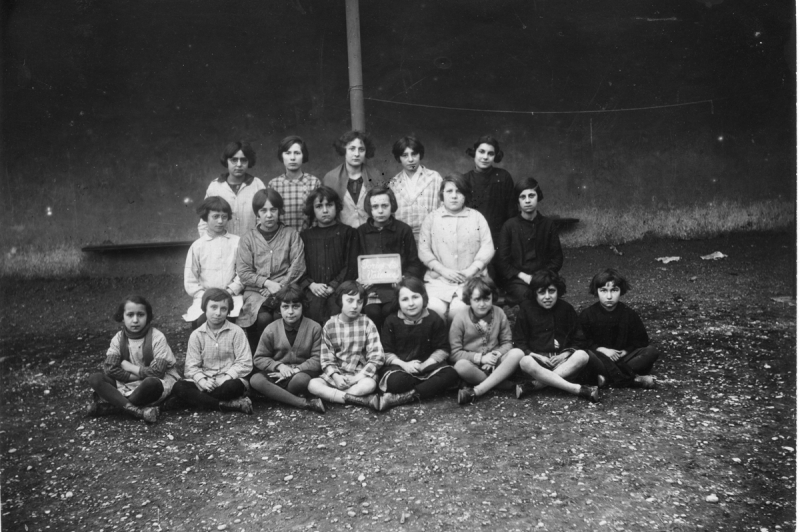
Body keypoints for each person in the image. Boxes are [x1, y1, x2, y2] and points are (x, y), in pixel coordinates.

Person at [87, 295, 181, 423]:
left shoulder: (157, 337)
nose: (135, 320)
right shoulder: (119, 339)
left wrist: (131, 368)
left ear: (148, 316)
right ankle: (136, 410)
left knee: (151, 383)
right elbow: (110, 369)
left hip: (155, 383)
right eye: (130, 315)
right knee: (95, 378)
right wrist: (136, 377)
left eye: (140, 315)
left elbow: (158, 372)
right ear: (122, 316)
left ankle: (115, 406)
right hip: (126, 383)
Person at [236, 189, 306, 351]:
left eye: (273, 210)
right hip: (257, 291)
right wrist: (267, 283)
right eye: (263, 210)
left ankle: (287, 358)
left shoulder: (291, 234)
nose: (269, 215)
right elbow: (244, 272)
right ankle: (259, 360)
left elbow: (298, 266)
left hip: (287, 287)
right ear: (257, 213)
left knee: (281, 316)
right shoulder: (248, 239)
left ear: (279, 211)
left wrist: (279, 286)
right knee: (262, 318)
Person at [513, 271, 599, 402]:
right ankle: (576, 389)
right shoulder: (526, 310)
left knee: (582, 355)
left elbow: (579, 339)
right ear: (534, 293)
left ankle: (536, 385)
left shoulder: (566, 309)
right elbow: (519, 341)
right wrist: (534, 355)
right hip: (538, 363)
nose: (547, 297)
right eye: (542, 292)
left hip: (564, 363)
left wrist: (565, 355)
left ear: (558, 291)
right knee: (525, 362)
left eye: (551, 291)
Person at [418, 174, 494, 321]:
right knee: (434, 310)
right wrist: (443, 270)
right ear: (442, 195)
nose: (454, 196)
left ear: (465, 195)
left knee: (459, 311)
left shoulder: (477, 217)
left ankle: (457, 344)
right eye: (449, 191)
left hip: (471, 281)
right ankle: (440, 344)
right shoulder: (432, 219)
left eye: (459, 192)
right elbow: (424, 250)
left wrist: (471, 270)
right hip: (439, 280)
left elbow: (487, 246)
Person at [375, 278, 459, 411]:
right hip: (402, 368)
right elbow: (386, 352)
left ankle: (406, 397)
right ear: (398, 301)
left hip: (429, 367)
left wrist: (426, 364)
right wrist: (405, 365)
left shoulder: (433, 318)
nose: (411, 303)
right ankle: (430, 388)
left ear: (424, 297)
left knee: (451, 374)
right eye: (405, 299)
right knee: (396, 382)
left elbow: (442, 348)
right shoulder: (391, 321)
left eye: (415, 297)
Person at [171, 289, 254, 414]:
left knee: (233, 387)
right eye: (213, 307)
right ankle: (226, 405)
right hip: (206, 382)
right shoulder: (197, 335)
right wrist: (203, 381)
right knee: (179, 387)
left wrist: (226, 377)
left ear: (228, 311)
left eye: (223, 309)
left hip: (228, 381)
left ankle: (198, 400)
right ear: (205, 308)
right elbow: (191, 367)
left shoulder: (236, 332)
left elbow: (245, 362)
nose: (218, 313)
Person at [249, 284, 326, 413]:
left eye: (295, 306)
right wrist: (280, 366)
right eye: (285, 307)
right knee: (255, 380)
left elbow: (318, 359)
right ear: (279, 309)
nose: (290, 311)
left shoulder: (314, 328)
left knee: (302, 380)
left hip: (300, 374)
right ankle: (301, 402)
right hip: (278, 374)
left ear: (303, 307)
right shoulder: (271, 329)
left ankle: (278, 395)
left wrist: (295, 370)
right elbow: (259, 358)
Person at [307, 281, 384, 409]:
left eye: (359, 302)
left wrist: (357, 377)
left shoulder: (367, 323)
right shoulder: (330, 325)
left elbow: (377, 357)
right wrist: (336, 377)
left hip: (359, 376)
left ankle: (337, 397)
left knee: (369, 384)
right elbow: (326, 359)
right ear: (340, 301)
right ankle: (354, 399)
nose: (355, 306)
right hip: (337, 376)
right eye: (350, 301)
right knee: (312, 384)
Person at [356, 186, 424, 331]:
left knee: (390, 311)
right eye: (375, 206)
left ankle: (390, 347)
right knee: (372, 312)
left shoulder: (403, 230)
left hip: (396, 287)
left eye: (384, 206)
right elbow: (355, 262)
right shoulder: (361, 232)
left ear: (392, 205)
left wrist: (403, 278)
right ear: (369, 208)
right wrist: (362, 279)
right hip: (371, 288)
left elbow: (414, 263)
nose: (380, 211)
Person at [579, 268, 660, 388]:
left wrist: (624, 352)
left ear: (621, 291)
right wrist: (602, 350)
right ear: (596, 291)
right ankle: (631, 379)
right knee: (585, 356)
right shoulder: (587, 314)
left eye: (614, 290)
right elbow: (580, 341)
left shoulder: (629, 314)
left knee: (651, 351)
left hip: (623, 358)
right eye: (603, 291)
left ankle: (607, 378)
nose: (609, 296)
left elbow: (641, 341)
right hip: (600, 359)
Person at [449, 277, 524, 405]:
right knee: (460, 366)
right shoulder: (460, 318)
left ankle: (480, 388)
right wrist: (481, 358)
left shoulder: (499, 313)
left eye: (486, 299)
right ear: (469, 299)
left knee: (518, 353)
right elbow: (454, 353)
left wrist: (495, 355)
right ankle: (499, 383)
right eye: (477, 299)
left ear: (492, 297)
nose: (482, 304)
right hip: (473, 366)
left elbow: (507, 342)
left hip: (496, 364)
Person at [497, 177, 564, 304]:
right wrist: (523, 276)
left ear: (538, 197)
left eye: (531, 196)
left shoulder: (548, 225)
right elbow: (502, 262)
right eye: (523, 197)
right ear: (518, 200)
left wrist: (540, 276)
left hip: (544, 276)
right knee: (529, 297)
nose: (527, 201)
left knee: (548, 296)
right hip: (518, 279)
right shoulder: (509, 226)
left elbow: (557, 258)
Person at [300, 186, 359, 324]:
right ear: (312, 210)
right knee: (313, 311)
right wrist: (311, 284)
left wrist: (334, 285)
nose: (325, 210)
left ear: (336, 207)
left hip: (340, 288)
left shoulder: (348, 233)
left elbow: (351, 265)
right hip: (313, 290)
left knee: (337, 311)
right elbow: (299, 266)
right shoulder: (305, 236)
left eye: (329, 205)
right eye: (319, 206)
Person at [184, 196, 243, 329]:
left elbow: (243, 273)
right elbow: (190, 280)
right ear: (206, 218)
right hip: (205, 298)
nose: (220, 221)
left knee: (231, 322)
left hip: (231, 296)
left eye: (224, 217)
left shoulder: (237, 242)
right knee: (201, 322)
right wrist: (204, 295)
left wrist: (230, 291)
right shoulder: (197, 246)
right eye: (215, 216)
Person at [198, 140, 266, 237]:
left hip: (251, 246)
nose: (239, 164)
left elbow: (263, 219)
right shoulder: (215, 186)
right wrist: (210, 245)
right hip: (221, 247)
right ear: (226, 161)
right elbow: (204, 221)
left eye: (243, 160)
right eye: (234, 160)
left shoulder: (257, 185)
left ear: (249, 162)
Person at [387, 136, 443, 242]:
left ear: (420, 154)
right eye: (405, 155)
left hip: (430, 237)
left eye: (414, 154)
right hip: (402, 238)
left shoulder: (434, 177)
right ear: (399, 158)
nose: (410, 159)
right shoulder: (394, 183)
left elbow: (443, 208)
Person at [323, 130, 383, 228]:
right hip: (342, 236)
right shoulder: (330, 178)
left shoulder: (376, 175)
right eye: (352, 149)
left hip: (371, 233)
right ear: (344, 150)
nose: (357, 154)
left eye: (361, 149)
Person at [461, 135, 516, 239]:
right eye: (481, 151)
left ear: (495, 156)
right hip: (471, 237)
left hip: (500, 237)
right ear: (474, 152)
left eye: (490, 153)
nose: (485, 157)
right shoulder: (465, 180)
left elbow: (512, 213)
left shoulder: (503, 177)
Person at [267, 135, 321, 232]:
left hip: (308, 239)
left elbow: (317, 218)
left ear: (303, 155)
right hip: (281, 241)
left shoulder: (314, 182)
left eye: (297, 153)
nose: (292, 158)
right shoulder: (274, 184)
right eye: (288, 153)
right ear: (281, 156)